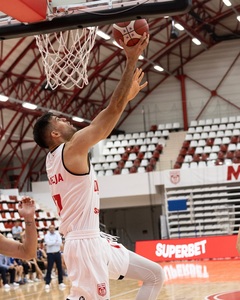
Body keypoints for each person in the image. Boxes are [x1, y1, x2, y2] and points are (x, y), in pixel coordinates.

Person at [33, 33, 165, 300]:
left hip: (94, 240)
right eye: (59, 120)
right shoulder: (71, 150)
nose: (66, 120)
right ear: (54, 135)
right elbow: (106, 118)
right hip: (84, 245)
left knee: (154, 274)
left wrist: (123, 101)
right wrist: (131, 60)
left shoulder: (59, 155)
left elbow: (106, 114)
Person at [44, 225, 65, 289]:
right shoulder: (46, 235)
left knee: (59, 268)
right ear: (49, 229)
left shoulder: (57, 235)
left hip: (57, 253)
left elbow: (60, 242)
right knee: (49, 268)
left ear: (54, 229)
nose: (52, 229)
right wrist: (55, 242)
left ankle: (61, 282)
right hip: (50, 254)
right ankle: (47, 283)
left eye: (53, 228)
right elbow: (48, 243)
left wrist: (52, 242)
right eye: (50, 228)